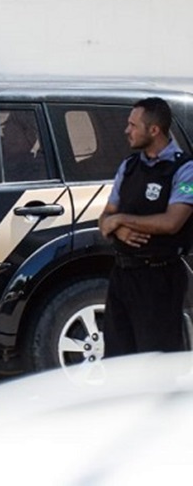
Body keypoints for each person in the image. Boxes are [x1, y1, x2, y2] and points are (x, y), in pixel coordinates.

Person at [98, 97, 193, 357]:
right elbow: (105, 218)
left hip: (159, 278)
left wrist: (121, 220)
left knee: (155, 360)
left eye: (133, 125)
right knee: (117, 358)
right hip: (122, 276)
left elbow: (172, 222)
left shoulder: (185, 170)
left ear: (154, 130)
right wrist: (116, 227)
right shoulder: (129, 167)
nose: (126, 130)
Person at [1, 111, 46, 181]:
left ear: (30, 137)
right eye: (5, 129)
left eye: (14, 132)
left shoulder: (37, 169)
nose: (5, 133)